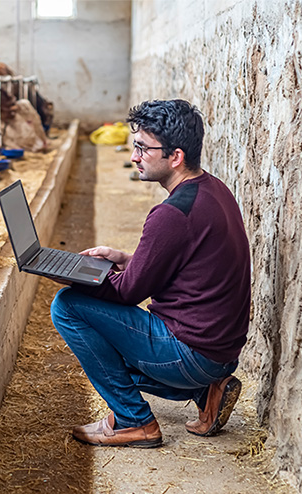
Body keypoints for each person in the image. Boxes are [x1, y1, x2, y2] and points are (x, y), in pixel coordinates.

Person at [50, 99, 251, 448]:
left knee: (68, 306)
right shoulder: (213, 189)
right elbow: (184, 265)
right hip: (219, 354)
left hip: (190, 353)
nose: (134, 157)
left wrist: (74, 276)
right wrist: (128, 258)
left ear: (175, 156)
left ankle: (134, 420)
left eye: (143, 148)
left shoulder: (171, 214)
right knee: (105, 356)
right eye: (135, 147)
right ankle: (208, 392)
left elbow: (127, 293)